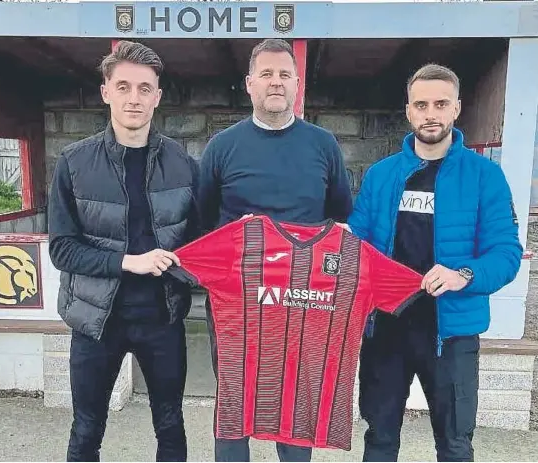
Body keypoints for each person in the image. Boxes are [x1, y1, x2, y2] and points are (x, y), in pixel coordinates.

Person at [347, 63, 523, 462]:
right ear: (408, 111)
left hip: (451, 333)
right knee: (378, 438)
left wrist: (464, 274)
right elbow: (357, 246)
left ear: (456, 108)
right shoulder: (381, 175)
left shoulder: (485, 177)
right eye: (421, 104)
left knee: (456, 443)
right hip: (386, 330)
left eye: (440, 104)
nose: (431, 113)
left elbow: (507, 255)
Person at [198, 38, 354, 462]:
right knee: (235, 401)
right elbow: (202, 222)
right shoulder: (221, 148)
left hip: (303, 300)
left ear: (297, 83)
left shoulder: (323, 146)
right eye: (266, 73)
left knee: (296, 402)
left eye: (285, 74)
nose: (276, 82)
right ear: (249, 84)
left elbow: (341, 215)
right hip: (238, 303)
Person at [48, 40, 199, 462]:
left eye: (145, 88)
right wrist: (128, 262)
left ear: (158, 96)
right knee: (87, 428)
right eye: (124, 86)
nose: (134, 98)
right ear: (106, 92)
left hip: (162, 318)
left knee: (170, 425)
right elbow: (62, 249)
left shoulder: (183, 164)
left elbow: (200, 246)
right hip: (96, 322)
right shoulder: (74, 163)